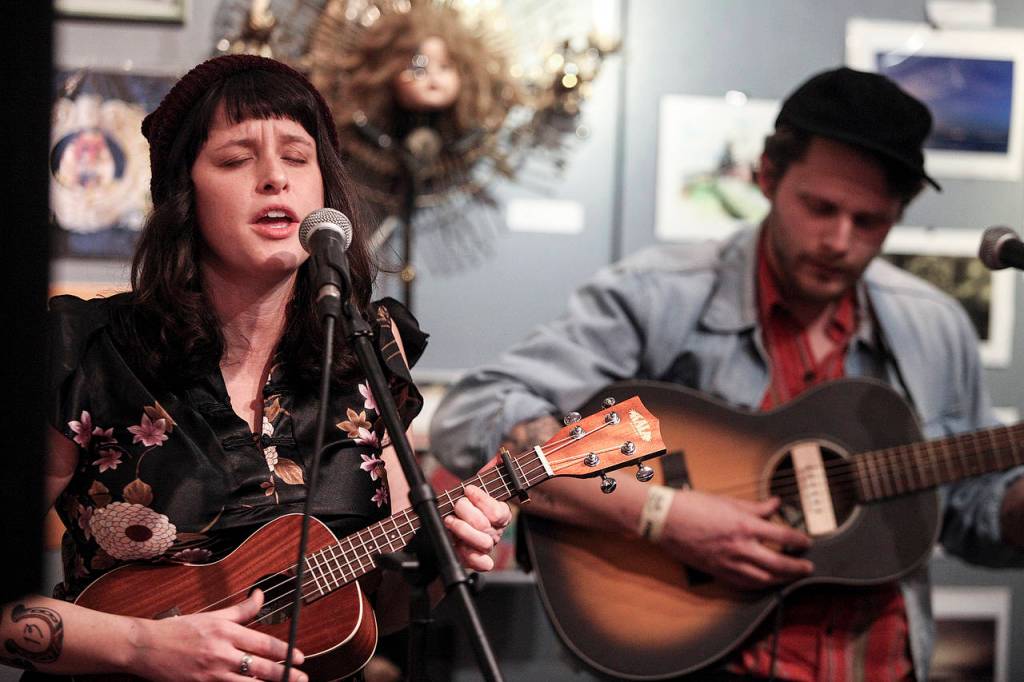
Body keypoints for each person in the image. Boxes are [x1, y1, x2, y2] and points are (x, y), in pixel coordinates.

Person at [429, 66, 1024, 680]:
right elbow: (478, 410)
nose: (839, 240)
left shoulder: (935, 327)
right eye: (819, 207)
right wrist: (660, 515)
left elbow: (971, 511)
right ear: (768, 175)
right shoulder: (660, 295)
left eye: (869, 221)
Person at [4, 54, 511, 682]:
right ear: (183, 193)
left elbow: (375, 614)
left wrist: (439, 562)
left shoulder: (370, 350)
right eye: (236, 160)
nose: (275, 179)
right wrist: (141, 646)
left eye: (298, 158)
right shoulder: (84, 350)